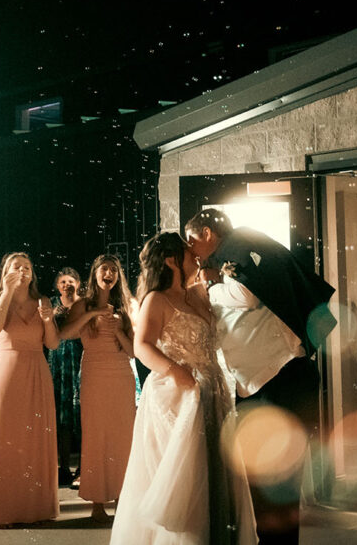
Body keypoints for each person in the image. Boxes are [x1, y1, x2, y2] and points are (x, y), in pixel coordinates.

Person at [185, 208, 334, 545]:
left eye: (193, 241)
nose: (193, 251)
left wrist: (209, 285)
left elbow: (246, 295)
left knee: (277, 477)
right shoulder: (238, 247)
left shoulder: (237, 245)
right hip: (266, 381)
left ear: (207, 233)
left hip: (279, 381)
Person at [111, 233, 256, 544]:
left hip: (213, 389)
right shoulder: (157, 299)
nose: (195, 256)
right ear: (170, 260)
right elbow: (142, 346)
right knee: (186, 479)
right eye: (188, 253)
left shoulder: (198, 294)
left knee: (216, 470)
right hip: (179, 395)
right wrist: (177, 372)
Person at [0, 252, 59, 528]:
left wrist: (48, 320)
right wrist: (8, 290)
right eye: (16, 266)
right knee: (6, 437)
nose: (23, 270)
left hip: (36, 370)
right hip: (6, 371)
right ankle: (5, 509)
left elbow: (52, 344)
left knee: (35, 438)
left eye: (27, 267)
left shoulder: (43, 301)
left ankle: (35, 507)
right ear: (6, 271)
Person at [60, 255, 136, 523]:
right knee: (96, 436)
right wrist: (92, 314)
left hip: (121, 376)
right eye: (104, 268)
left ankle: (122, 499)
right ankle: (97, 503)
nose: (109, 273)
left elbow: (134, 352)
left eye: (114, 270)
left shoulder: (126, 306)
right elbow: (64, 335)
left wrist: (117, 331)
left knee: (122, 437)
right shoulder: (83, 304)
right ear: (95, 274)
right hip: (93, 374)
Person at [48, 267, 83, 487]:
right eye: (62, 282)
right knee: (61, 419)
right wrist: (53, 317)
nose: (67, 285)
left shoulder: (83, 303)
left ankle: (83, 465)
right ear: (57, 286)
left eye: (71, 281)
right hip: (58, 363)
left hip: (80, 361)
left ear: (78, 284)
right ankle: (63, 467)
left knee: (81, 417)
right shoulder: (52, 304)